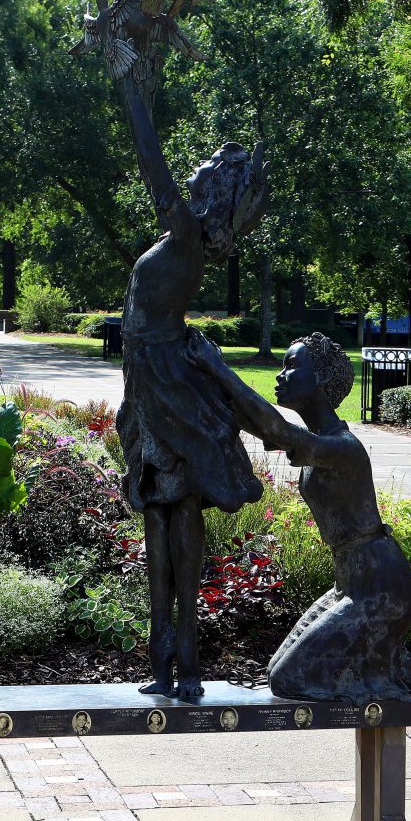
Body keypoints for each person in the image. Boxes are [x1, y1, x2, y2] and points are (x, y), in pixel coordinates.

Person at [107, 51, 268, 701]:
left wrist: (129, 84)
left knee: (174, 530)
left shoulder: (183, 237)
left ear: (208, 198)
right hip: (153, 386)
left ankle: (184, 664)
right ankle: (172, 664)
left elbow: (152, 165)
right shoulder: (186, 243)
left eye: (204, 174)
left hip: (165, 384)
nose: (193, 174)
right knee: (163, 524)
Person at [188, 330, 411, 703]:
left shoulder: (341, 447)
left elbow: (276, 429)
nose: (280, 375)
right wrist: (206, 375)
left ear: (321, 379)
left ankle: (385, 671)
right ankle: (385, 662)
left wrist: (217, 366)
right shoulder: (319, 437)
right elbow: (256, 421)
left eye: (291, 366)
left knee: (290, 680)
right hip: (352, 582)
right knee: (278, 670)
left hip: (381, 587)